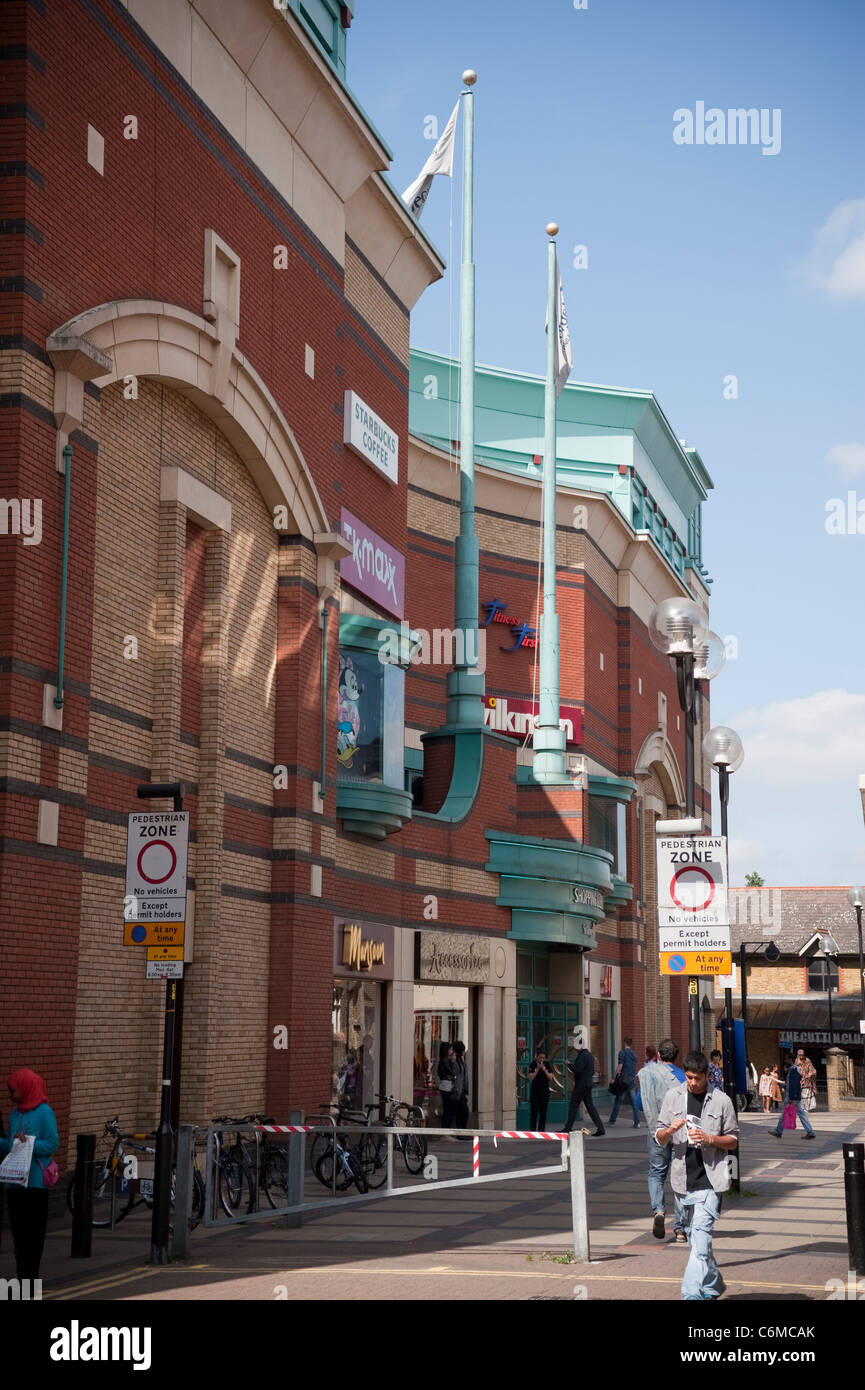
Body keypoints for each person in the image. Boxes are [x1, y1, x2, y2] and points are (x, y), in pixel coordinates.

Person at [654, 1050, 739, 1300]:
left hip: (711, 1181)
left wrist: (710, 1138)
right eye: (689, 1078)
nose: (693, 1083)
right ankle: (713, 1285)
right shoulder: (673, 1097)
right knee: (696, 1241)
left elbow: (733, 1140)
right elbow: (659, 1137)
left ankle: (691, 1295)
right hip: (683, 1181)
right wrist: (670, 1130)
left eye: (697, 1078)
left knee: (700, 1239)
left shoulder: (722, 1100)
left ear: (706, 1075)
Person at [0, 1068, 59, 1283]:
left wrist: (30, 1143)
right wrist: (8, 1143)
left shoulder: (45, 1112)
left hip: (35, 1184)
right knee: (18, 1235)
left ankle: (30, 1280)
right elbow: (10, 1143)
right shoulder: (15, 1113)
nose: (10, 1095)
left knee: (33, 1236)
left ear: (26, 1087)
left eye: (12, 1090)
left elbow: (52, 1143)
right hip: (15, 1183)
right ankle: (20, 1277)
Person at [637, 1038, 688, 1243]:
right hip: (679, 1133)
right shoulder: (684, 1077)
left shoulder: (649, 1074)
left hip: (656, 1132)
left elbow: (639, 1103)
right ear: (676, 1056)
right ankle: (681, 1229)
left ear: (658, 1054)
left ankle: (658, 1210)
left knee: (656, 1173)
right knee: (680, 1178)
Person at [563, 1037, 604, 1136]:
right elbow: (592, 1070)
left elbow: (578, 1070)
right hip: (588, 1084)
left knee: (573, 1106)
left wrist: (569, 1064)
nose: (574, 1047)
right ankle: (601, 1128)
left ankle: (568, 1128)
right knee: (590, 1107)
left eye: (575, 1045)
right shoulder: (589, 1055)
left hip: (581, 1085)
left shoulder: (582, 1056)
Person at [770, 1055, 815, 1139]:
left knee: (785, 1114)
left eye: (787, 1059)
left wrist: (792, 1098)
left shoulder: (794, 1070)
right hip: (794, 1096)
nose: (785, 1061)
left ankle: (778, 1132)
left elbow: (794, 1085)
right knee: (799, 1114)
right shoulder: (793, 1070)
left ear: (790, 1060)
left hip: (792, 1097)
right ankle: (810, 1132)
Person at [608, 1035, 640, 1128]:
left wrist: (614, 1077)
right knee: (634, 1102)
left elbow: (620, 1066)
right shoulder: (634, 1054)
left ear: (624, 1043)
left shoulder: (622, 1053)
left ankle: (612, 1121)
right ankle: (637, 1122)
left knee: (618, 1101)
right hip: (631, 1080)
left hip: (623, 1082)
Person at [528, 1049, 553, 1131]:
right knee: (534, 1111)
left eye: (543, 1058)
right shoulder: (532, 1064)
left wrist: (544, 1070)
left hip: (544, 1092)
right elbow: (531, 1077)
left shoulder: (547, 1064)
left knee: (543, 1112)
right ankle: (533, 1129)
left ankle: (542, 1129)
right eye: (540, 1057)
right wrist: (538, 1069)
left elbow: (551, 1077)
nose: (542, 1059)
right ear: (537, 1057)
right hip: (535, 1092)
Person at [437, 1041, 456, 1129]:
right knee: (448, 1110)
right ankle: (445, 1131)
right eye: (451, 1049)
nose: (452, 1051)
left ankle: (446, 1131)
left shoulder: (444, 1060)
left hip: (446, 1087)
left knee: (449, 1110)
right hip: (446, 1087)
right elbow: (452, 1073)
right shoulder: (445, 1060)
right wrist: (453, 1062)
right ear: (446, 1050)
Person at [451, 1040, 469, 1130]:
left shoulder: (462, 1060)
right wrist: (457, 1090)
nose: (464, 1052)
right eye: (463, 1050)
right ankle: (461, 1131)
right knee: (462, 1111)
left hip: (462, 1090)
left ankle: (463, 1130)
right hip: (458, 1091)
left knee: (463, 1112)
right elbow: (455, 1077)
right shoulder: (455, 1061)